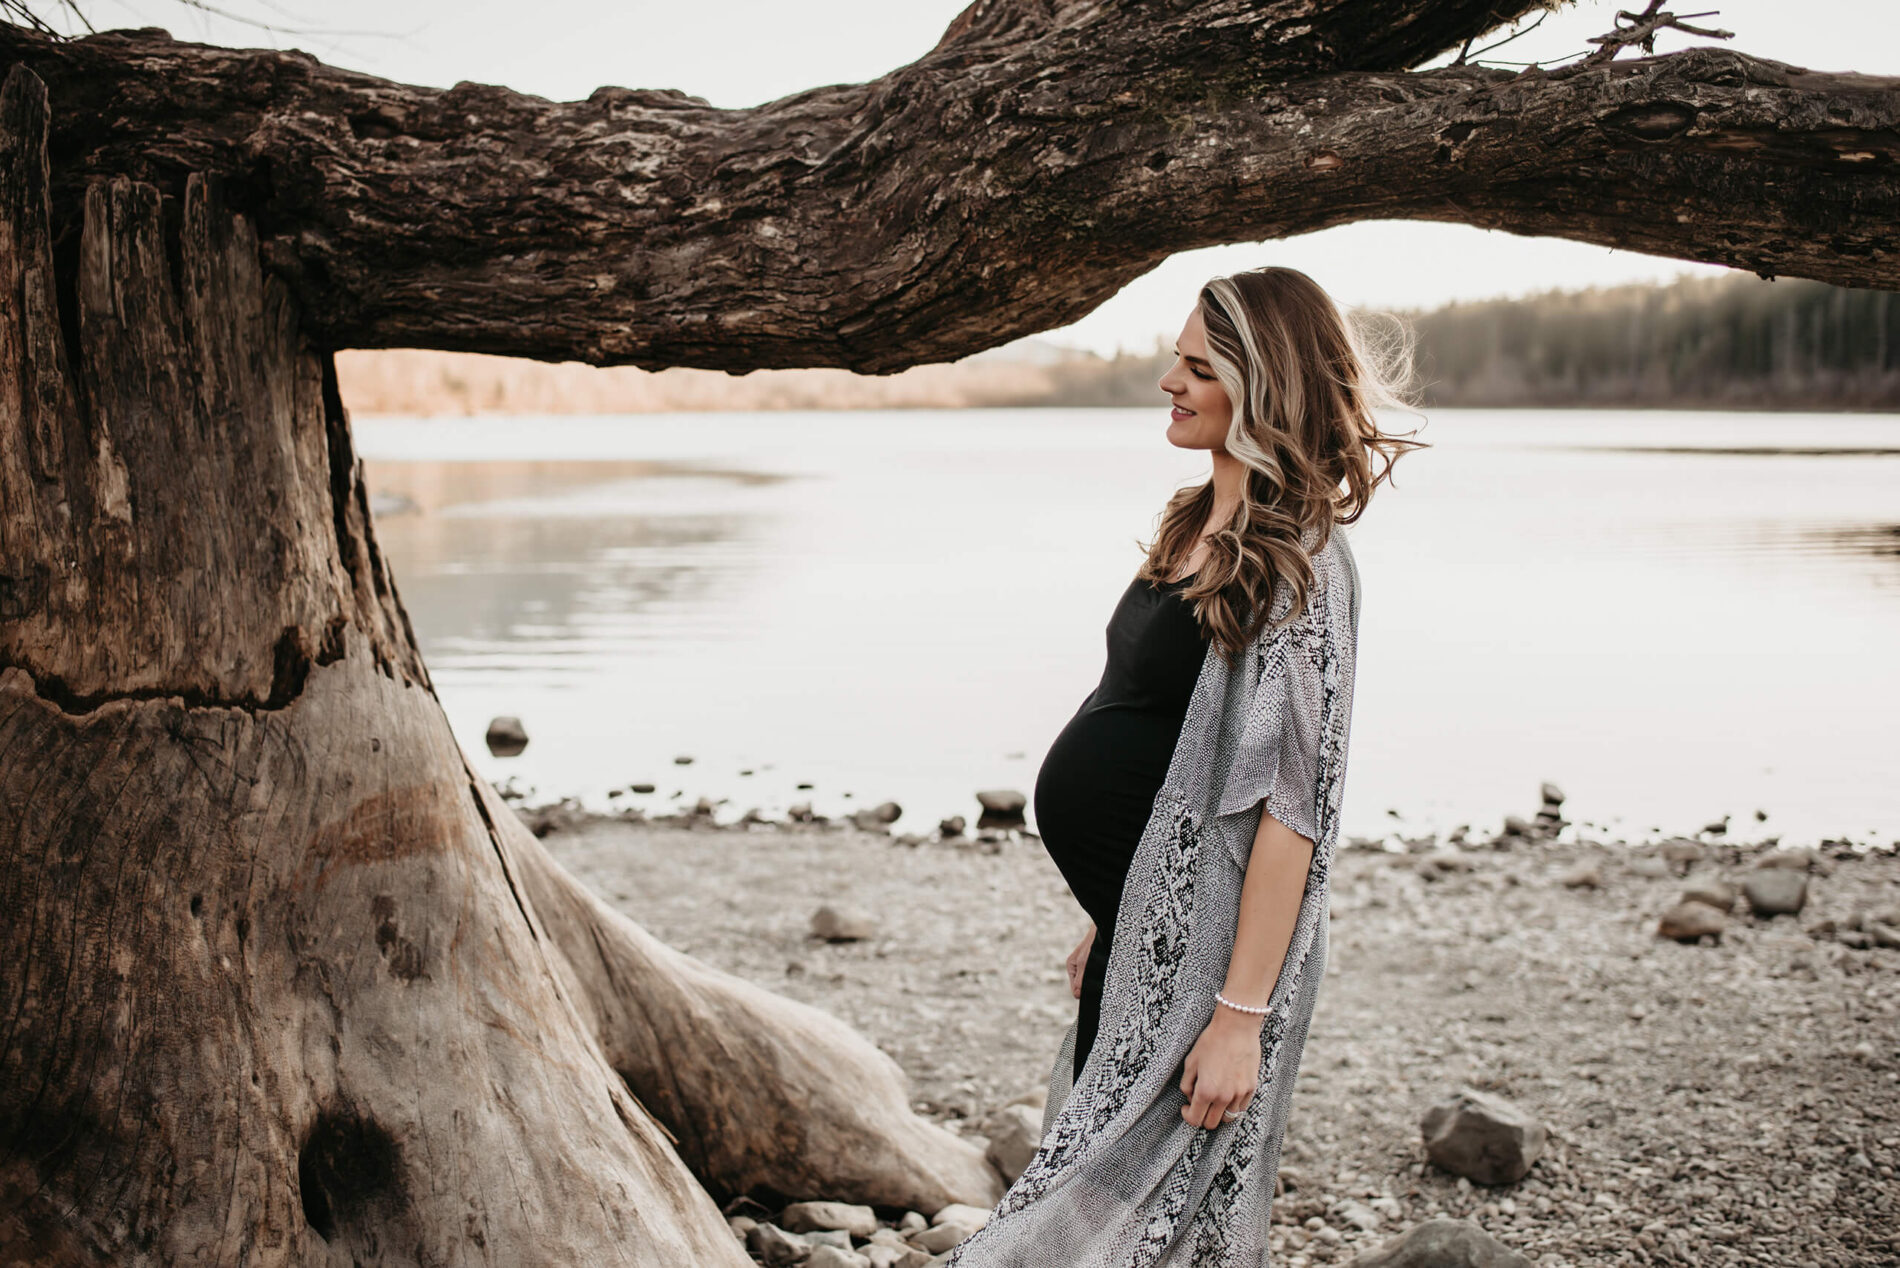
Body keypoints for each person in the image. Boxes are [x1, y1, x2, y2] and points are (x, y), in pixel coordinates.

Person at [944, 266, 1425, 1266]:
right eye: (1176, 355)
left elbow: (1292, 812)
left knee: (1144, 1193)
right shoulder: (1191, 521)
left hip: (1214, 966)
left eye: (1198, 365)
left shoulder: (1300, 561)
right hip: (1142, 924)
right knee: (1092, 1168)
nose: (1168, 378)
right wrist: (1107, 909)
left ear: (1265, 385)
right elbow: (1159, 737)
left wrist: (1240, 1019)